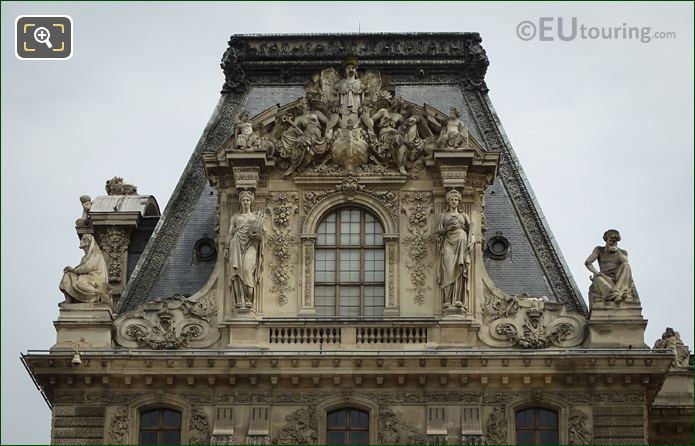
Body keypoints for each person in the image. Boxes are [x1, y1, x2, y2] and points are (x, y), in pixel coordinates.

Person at [225, 190, 264, 309]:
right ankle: (239, 299)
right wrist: (226, 247)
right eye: (243, 200)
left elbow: (263, 236)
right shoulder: (235, 217)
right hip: (236, 244)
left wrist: (256, 236)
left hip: (251, 244)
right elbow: (230, 233)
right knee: (236, 273)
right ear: (240, 202)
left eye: (248, 200)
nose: (245, 202)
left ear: (251, 202)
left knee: (247, 269)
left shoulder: (255, 217)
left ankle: (249, 299)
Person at [436, 189, 473, 311]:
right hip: (448, 243)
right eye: (451, 199)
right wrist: (447, 229)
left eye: (456, 199)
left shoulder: (464, 216)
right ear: (448, 201)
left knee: (459, 269)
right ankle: (447, 300)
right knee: (448, 271)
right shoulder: (442, 216)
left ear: (459, 201)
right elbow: (436, 233)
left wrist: (471, 240)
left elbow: (471, 232)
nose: (454, 201)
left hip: (461, 242)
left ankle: (458, 299)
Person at [585, 229, 638, 303]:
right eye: (610, 240)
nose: (612, 242)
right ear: (606, 240)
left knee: (626, 266)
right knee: (598, 279)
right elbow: (588, 263)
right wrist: (596, 272)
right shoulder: (599, 249)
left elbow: (625, 262)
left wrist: (617, 251)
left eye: (615, 241)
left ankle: (616, 292)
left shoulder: (622, 252)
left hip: (619, 277)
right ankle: (617, 293)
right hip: (604, 276)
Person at [59, 234, 111, 305]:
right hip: (86, 277)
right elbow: (83, 268)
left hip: (95, 279)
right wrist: (72, 270)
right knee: (67, 275)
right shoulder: (85, 257)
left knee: (71, 276)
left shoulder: (97, 254)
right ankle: (68, 300)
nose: (81, 241)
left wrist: (74, 270)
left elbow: (88, 267)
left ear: (89, 242)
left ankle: (96, 294)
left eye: (84, 239)